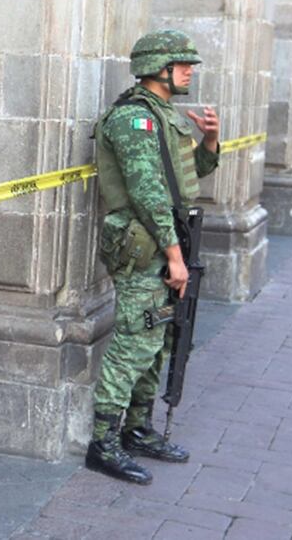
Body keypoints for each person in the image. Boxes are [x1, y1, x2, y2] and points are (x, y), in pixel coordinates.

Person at [89, 29, 220, 485]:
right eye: (182, 64)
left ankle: (137, 430)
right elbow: (147, 194)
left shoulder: (164, 115)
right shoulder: (133, 119)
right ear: (157, 68)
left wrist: (209, 141)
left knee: (159, 338)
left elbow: (187, 178)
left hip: (166, 241)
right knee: (133, 343)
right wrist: (174, 256)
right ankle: (103, 444)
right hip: (144, 246)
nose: (189, 71)